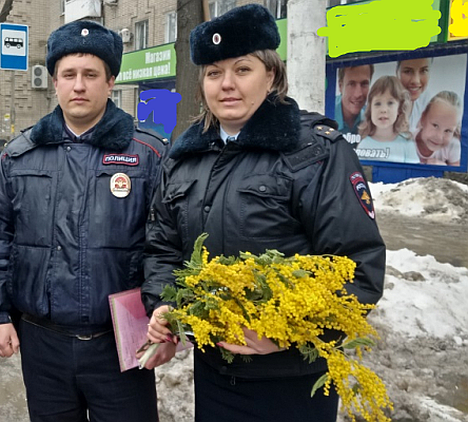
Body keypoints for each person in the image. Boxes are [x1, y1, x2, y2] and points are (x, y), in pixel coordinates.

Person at [140, 5, 386, 422]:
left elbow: (358, 267)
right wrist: (164, 303)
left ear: (270, 75)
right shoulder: (185, 156)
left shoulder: (315, 151)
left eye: (243, 69)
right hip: (215, 372)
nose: (227, 84)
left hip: (292, 380)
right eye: (214, 73)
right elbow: (163, 246)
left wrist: (283, 331)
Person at [0, 20, 167, 422]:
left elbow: (165, 243)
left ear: (110, 81)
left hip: (120, 344)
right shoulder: (20, 154)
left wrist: (163, 312)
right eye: (69, 75)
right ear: (55, 81)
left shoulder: (148, 154)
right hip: (43, 343)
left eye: (91, 74)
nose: (79, 85)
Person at [356, 75, 417, 163]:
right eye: (378, 104)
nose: (383, 110)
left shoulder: (407, 144)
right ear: (370, 109)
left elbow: (416, 176)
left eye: (390, 103)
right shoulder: (364, 145)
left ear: (399, 109)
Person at [415, 90, 462, 166]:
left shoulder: (453, 145)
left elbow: (456, 175)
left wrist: (444, 167)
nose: (439, 137)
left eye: (448, 130)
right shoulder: (407, 140)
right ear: (423, 118)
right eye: (435, 125)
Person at [334, 64, 373, 134]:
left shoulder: (372, 119)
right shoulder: (325, 113)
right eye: (351, 84)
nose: (358, 94)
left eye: (364, 84)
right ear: (340, 86)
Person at [397, 57, 433, 131]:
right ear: (397, 72)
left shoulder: (426, 99)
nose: (416, 81)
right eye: (408, 71)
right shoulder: (384, 101)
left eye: (423, 71)